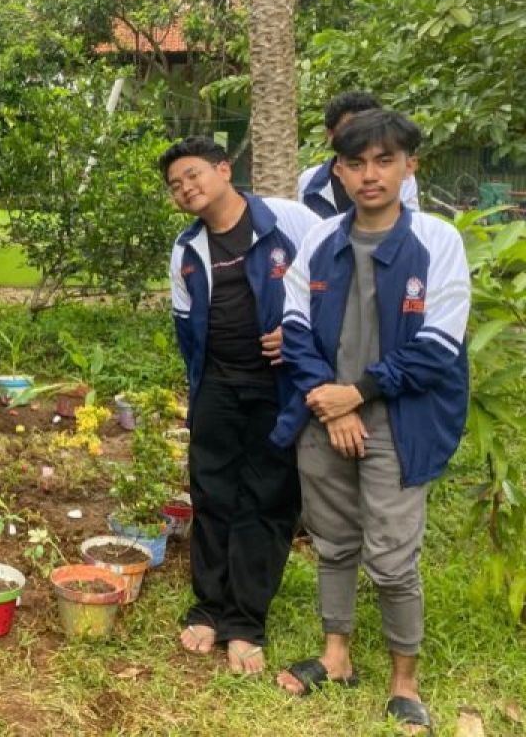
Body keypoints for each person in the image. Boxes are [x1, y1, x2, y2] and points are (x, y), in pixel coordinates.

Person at [272, 111, 469, 735]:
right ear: (339, 171)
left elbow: (438, 347)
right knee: (333, 544)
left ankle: (404, 682)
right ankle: (336, 657)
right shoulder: (320, 239)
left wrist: (354, 395)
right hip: (325, 416)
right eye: (355, 164)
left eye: (384, 160)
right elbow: (296, 330)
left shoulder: (437, 241)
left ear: (410, 165)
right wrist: (330, 404)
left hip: (398, 423)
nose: (369, 175)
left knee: (391, 558)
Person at [162, 136, 320, 675]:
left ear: (224, 169)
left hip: (279, 390)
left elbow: (329, 287)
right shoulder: (186, 249)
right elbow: (186, 328)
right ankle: (208, 607)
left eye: (193, 175)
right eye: (176, 185)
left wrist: (299, 337)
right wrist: (201, 386)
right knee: (212, 494)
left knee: (268, 498)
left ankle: (245, 620)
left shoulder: (287, 221)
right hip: (218, 389)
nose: (185, 188)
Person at [298, 91, 419, 218]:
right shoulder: (309, 181)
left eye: (384, 162)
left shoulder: (401, 177)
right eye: (349, 132)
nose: (369, 177)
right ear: (330, 135)